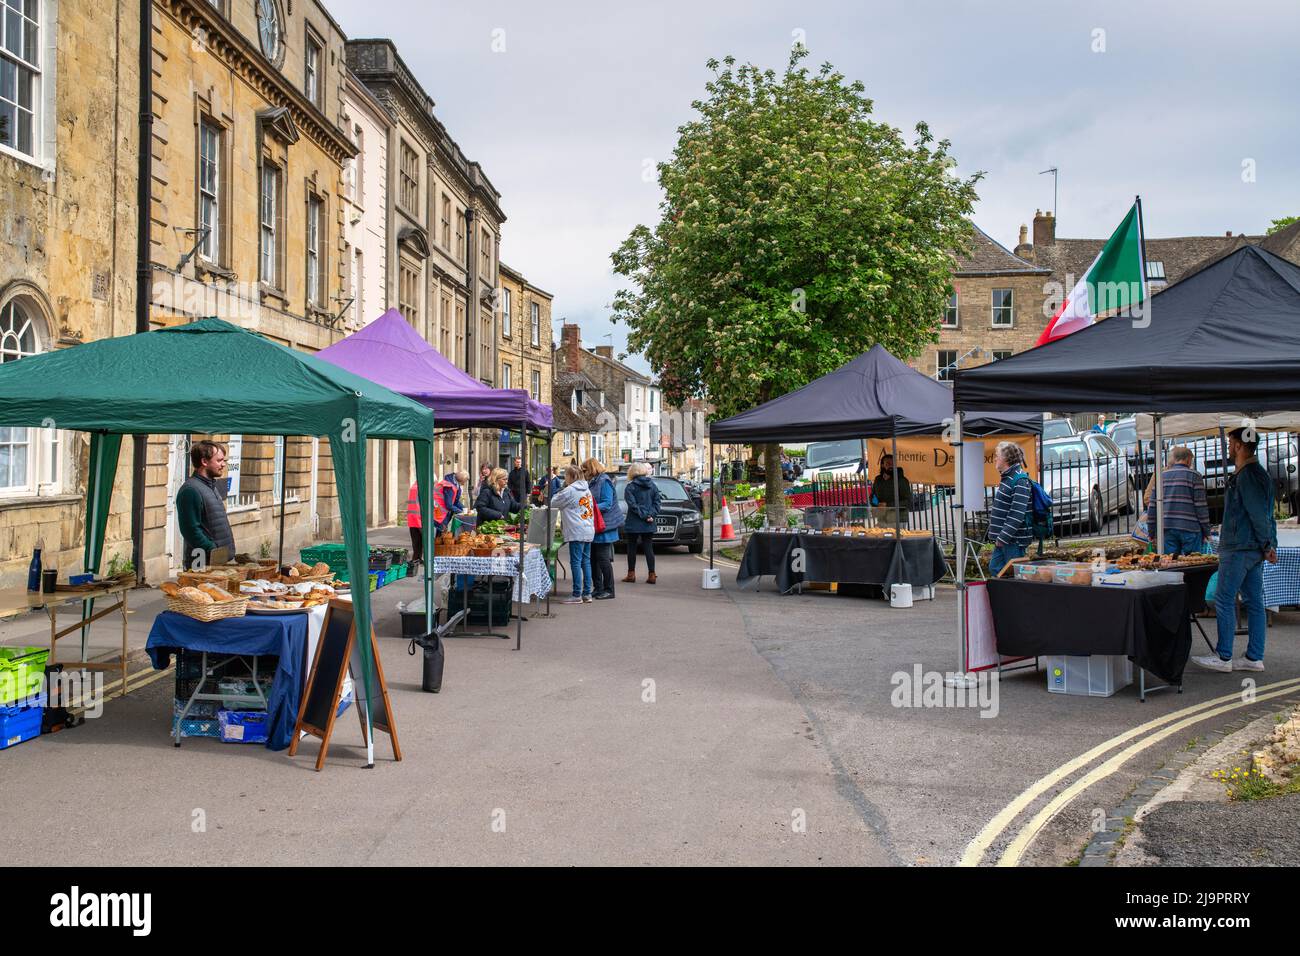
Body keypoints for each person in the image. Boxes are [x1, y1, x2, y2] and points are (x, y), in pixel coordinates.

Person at [1192, 427, 1278, 673]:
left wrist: (1266, 544)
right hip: (1253, 549)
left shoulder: (1247, 476)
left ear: (1240, 446)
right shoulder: (1259, 473)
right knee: (1254, 602)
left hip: (1240, 548)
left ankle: (1224, 655)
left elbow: (1257, 514)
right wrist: (1268, 544)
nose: (1228, 447)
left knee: (1224, 598)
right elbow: (1268, 515)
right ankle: (1253, 657)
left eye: (1231, 443)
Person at [177, 440, 235, 570]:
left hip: (217, 561)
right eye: (219, 460)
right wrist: (212, 549)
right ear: (204, 462)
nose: (223, 464)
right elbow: (190, 530)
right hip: (202, 563)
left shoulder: (211, 486)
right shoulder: (190, 490)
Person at [1147, 446, 1210, 556]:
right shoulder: (1195, 476)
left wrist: (1151, 532)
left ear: (1175, 459)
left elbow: (1152, 506)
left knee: (1170, 564)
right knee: (1193, 562)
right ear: (1188, 459)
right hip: (1190, 528)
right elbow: (1201, 507)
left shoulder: (1161, 477)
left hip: (1166, 527)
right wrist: (1206, 531)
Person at [986, 441, 1033, 576]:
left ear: (1006, 459)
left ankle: (1016, 597)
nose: (995, 459)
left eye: (997, 456)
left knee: (1014, 575)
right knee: (996, 569)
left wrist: (1002, 538)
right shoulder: (1008, 478)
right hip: (1005, 540)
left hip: (1014, 540)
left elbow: (1016, 515)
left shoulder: (1020, 481)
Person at [550, 464, 594, 604]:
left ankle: (576, 595)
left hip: (576, 530)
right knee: (585, 561)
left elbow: (553, 502)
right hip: (588, 528)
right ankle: (587, 593)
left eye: (566, 475)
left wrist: (561, 489)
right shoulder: (587, 489)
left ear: (570, 476)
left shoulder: (569, 490)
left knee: (575, 562)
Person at [583, 457, 624, 600]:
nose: (584, 473)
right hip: (597, 525)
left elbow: (606, 504)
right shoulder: (594, 481)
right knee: (593, 558)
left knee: (603, 559)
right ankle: (598, 588)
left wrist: (587, 508)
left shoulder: (604, 481)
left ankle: (609, 589)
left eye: (585, 470)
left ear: (591, 469)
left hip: (606, 526)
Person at [623, 462, 662, 584]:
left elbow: (633, 505)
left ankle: (631, 574)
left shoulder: (630, 487)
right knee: (648, 548)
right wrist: (650, 515)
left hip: (634, 521)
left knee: (632, 548)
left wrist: (645, 515)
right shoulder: (653, 485)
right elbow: (657, 503)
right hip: (648, 521)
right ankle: (652, 574)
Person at [870, 454, 912, 527]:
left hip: (898, 519)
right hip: (881, 518)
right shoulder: (878, 479)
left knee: (894, 538)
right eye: (888, 463)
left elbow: (907, 501)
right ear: (882, 465)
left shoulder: (902, 480)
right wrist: (877, 504)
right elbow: (873, 496)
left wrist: (887, 505)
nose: (891, 466)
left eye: (893, 464)